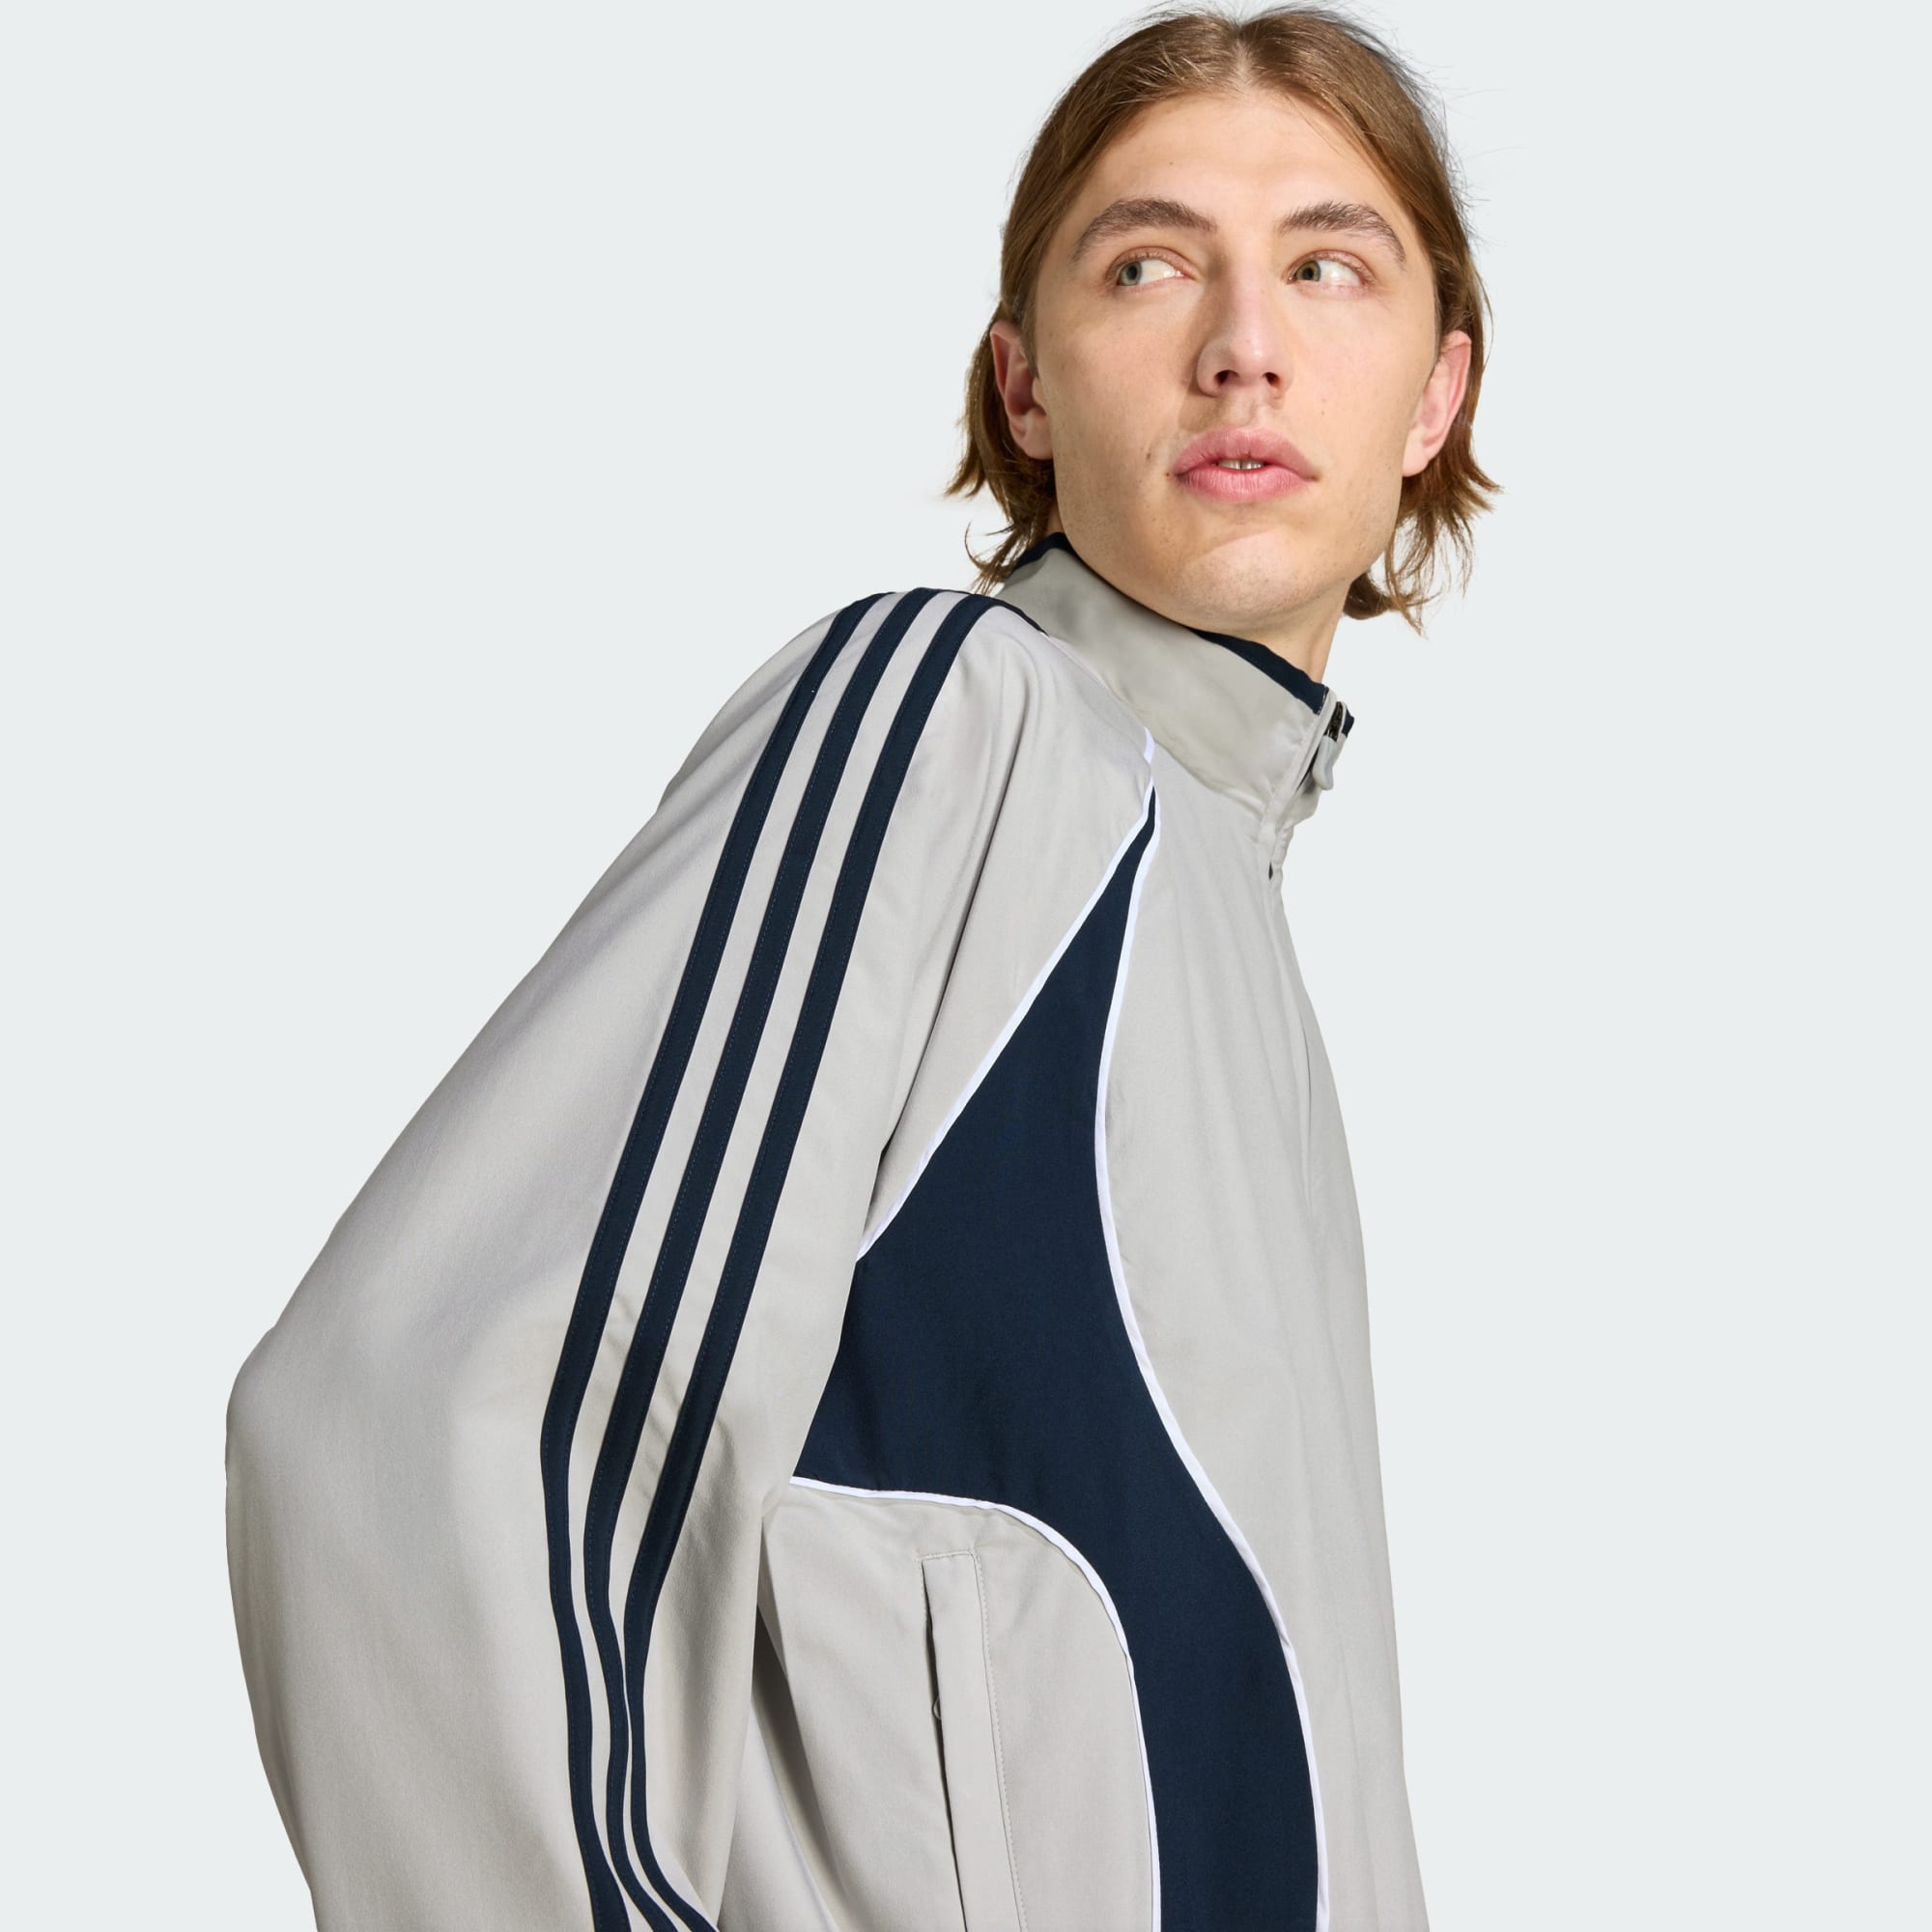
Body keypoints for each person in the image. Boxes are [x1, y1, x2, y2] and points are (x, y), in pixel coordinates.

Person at [223, 6, 1496, 1928]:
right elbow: (410, 1420)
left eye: (1329, 266)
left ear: (1432, 397)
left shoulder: (1236, 932)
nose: (1243, 342)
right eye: (1147, 264)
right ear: (1024, 388)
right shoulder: (961, 721)